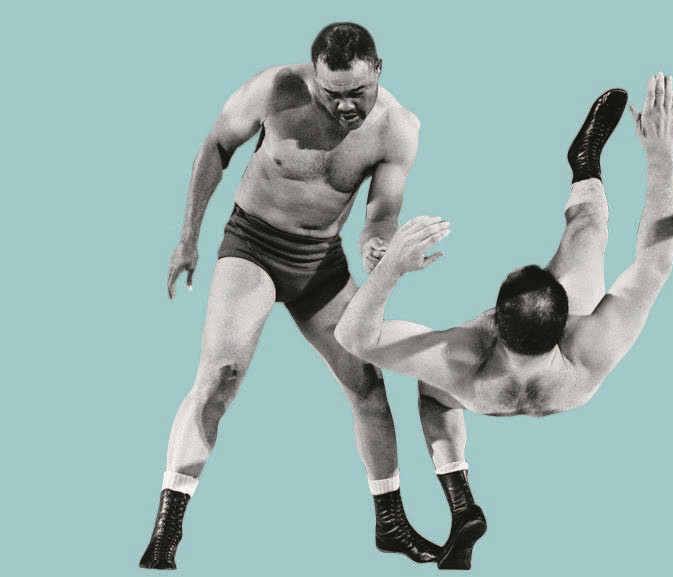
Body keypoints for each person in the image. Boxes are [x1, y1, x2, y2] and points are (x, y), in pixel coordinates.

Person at [335, 73, 673, 568]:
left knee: (432, 394)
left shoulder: (461, 359)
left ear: (494, 321)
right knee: (589, 227)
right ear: (567, 318)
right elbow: (655, 262)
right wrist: (661, 157)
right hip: (565, 390)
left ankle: (461, 499)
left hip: (482, 394)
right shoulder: (592, 345)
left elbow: (353, 337)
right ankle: (583, 165)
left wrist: (391, 268)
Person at [140, 22, 448, 569]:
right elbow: (216, 146)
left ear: (379, 70)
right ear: (313, 78)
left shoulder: (398, 128)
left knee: (368, 385)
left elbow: (380, 216)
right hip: (252, 247)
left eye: (358, 93)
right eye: (332, 95)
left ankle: (390, 522)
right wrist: (188, 236)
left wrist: (379, 247)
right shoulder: (275, 89)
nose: (346, 107)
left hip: (320, 263)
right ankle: (167, 530)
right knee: (220, 376)